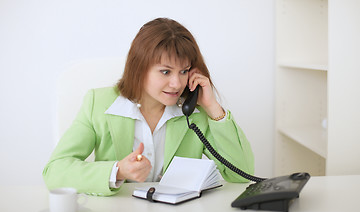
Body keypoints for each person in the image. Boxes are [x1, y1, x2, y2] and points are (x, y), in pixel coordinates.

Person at [43, 18, 254, 196]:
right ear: (139, 68)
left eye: (184, 71)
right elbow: (54, 171)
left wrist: (213, 107)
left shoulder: (195, 113)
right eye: (165, 72)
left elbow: (241, 173)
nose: (177, 84)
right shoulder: (97, 103)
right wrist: (118, 171)